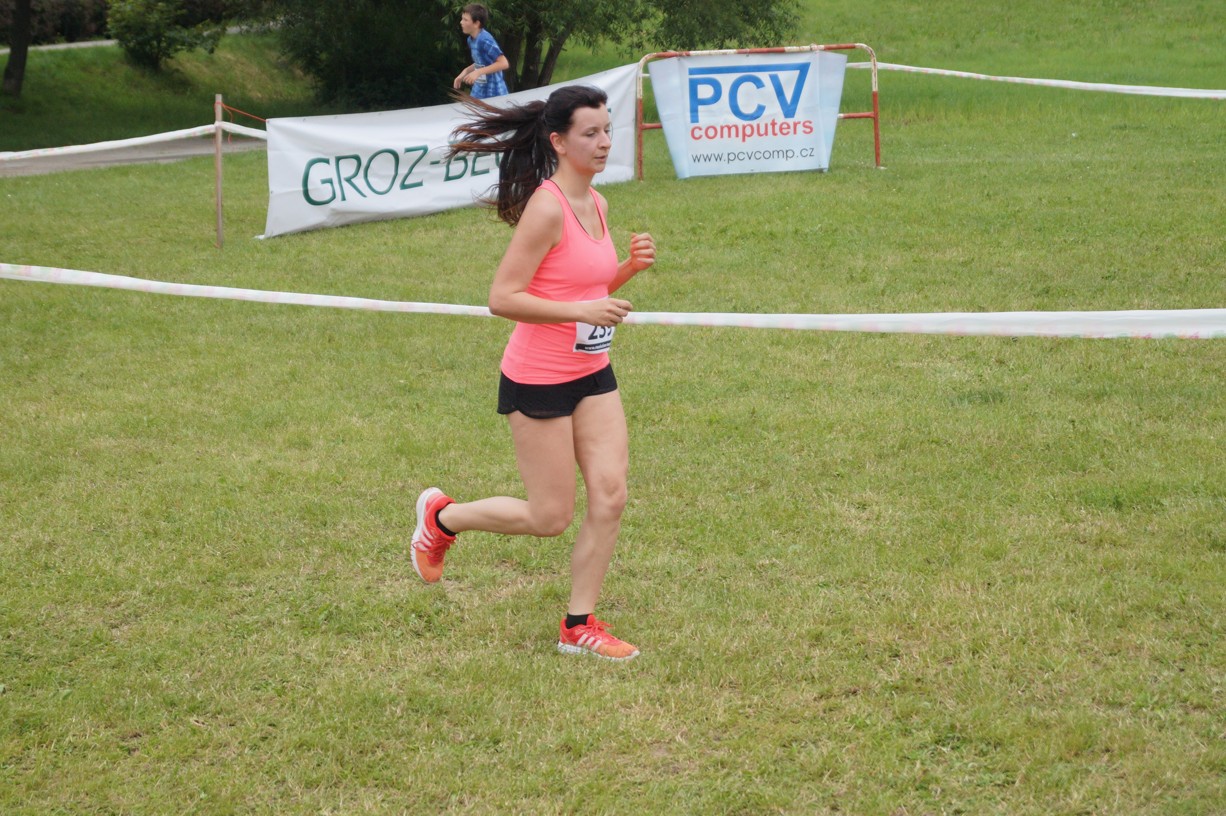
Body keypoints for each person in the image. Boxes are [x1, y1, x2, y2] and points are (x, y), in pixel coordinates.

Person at [410, 85, 656, 662]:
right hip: (539, 378)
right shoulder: (547, 207)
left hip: (592, 369)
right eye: (590, 133)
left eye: (607, 130)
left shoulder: (597, 203)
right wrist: (581, 311)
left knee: (611, 496)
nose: (604, 142)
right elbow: (503, 297)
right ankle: (443, 518)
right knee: (550, 517)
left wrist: (626, 269)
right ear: (559, 142)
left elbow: (583, 287)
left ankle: (578, 626)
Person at [453, 3, 509, 99]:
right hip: (479, 91)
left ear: (476, 23)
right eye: (462, 19)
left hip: (494, 92)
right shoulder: (471, 40)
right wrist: (464, 72)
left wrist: (478, 72)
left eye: (465, 20)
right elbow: (481, 63)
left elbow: (503, 63)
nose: (461, 22)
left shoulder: (485, 40)